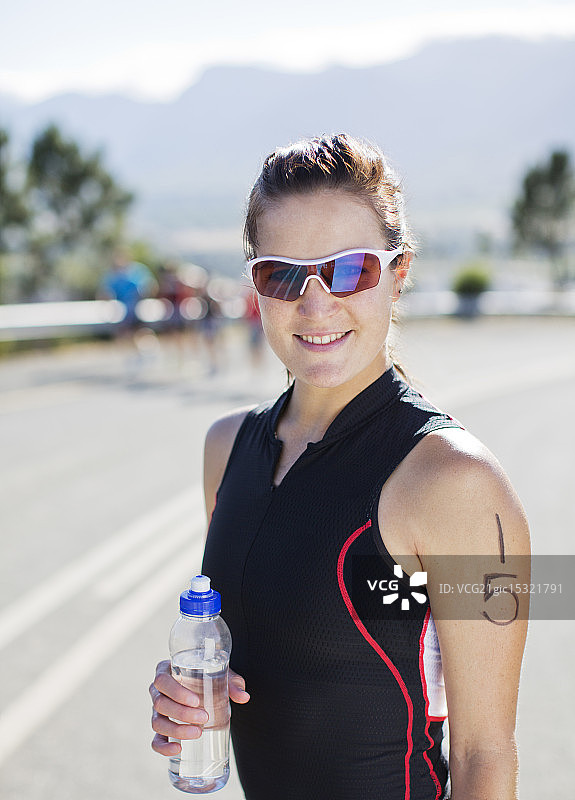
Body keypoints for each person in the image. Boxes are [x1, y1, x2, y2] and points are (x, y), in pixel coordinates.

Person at [149, 134, 530, 799]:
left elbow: (483, 756)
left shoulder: (451, 482)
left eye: (350, 269)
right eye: (283, 274)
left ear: (399, 272)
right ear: (255, 287)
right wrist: (204, 695)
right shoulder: (226, 448)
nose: (316, 303)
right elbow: (286, 653)